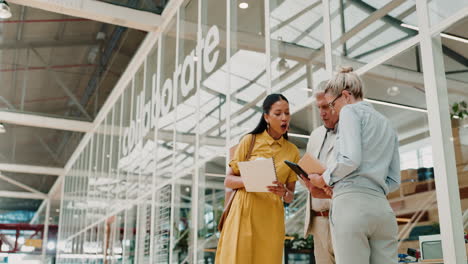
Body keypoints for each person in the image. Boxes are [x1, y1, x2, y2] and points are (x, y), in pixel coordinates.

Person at [308, 67, 401, 264]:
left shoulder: (350, 111)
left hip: (351, 207)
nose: (333, 111)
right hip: (383, 210)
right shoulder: (387, 123)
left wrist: (323, 179)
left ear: (346, 95)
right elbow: (394, 180)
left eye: (333, 104)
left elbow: (350, 159)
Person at [216, 93, 300, 264]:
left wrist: (284, 192)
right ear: (266, 117)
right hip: (244, 212)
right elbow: (229, 180)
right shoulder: (250, 141)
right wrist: (253, 179)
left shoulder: (293, 151)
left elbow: (290, 196)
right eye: (278, 113)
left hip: (271, 218)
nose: (284, 118)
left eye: (287, 113)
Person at [303, 88, 339, 264]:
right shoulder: (315, 135)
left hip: (340, 216)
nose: (322, 113)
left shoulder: (348, 132)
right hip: (318, 220)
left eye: (326, 106)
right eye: (319, 107)